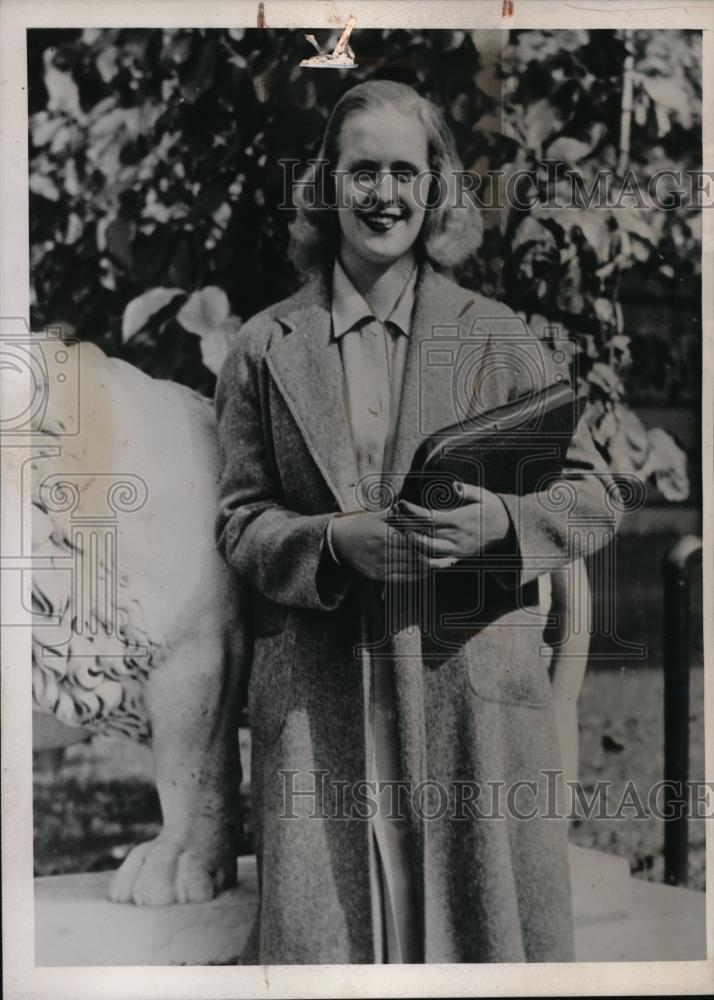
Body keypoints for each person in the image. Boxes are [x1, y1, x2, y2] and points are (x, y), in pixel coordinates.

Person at [215, 79, 619, 964]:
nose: (384, 195)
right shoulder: (262, 346)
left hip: (464, 696)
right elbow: (240, 518)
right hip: (323, 700)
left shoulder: (495, 333)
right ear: (326, 185)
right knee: (335, 950)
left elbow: (594, 496)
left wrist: (501, 524)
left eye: (406, 171)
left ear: (435, 187)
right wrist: (327, 541)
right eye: (363, 171)